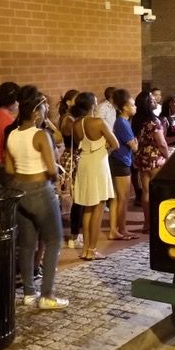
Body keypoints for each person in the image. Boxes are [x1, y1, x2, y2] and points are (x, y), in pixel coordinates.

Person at [4, 89, 68, 310]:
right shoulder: (41, 135)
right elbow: (51, 168)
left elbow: (9, 168)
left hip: (19, 189)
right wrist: (56, 176)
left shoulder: (12, 135)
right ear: (35, 112)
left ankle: (29, 293)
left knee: (27, 244)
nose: (46, 112)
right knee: (53, 240)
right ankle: (47, 295)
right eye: (44, 108)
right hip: (40, 189)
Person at [71, 92, 118, 260]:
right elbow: (115, 144)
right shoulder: (98, 122)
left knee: (87, 207)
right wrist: (106, 148)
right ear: (92, 105)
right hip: (98, 164)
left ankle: (85, 249)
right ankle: (92, 249)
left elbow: (80, 143)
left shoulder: (76, 123)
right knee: (98, 206)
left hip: (84, 162)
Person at [132, 91, 170, 234]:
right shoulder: (154, 121)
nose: (155, 101)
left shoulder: (137, 120)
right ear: (147, 104)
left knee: (146, 192)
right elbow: (161, 143)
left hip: (142, 157)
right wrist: (167, 156)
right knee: (158, 191)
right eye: (152, 100)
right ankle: (156, 222)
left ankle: (146, 223)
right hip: (155, 158)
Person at [108, 89, 137, 241]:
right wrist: (136, 142)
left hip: (119, 161)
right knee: (123, 197)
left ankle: (115, 229)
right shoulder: (122, 123)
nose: (135, 107)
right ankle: (122, 228)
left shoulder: (122, 122)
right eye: (132, 105)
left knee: (116, 199)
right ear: (125, 107)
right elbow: (134, 146)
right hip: (121, 162)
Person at [58, 90, 83, 248]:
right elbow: (77, 137)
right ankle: (74, 235)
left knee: (78, 197)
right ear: (68, 102)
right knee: (78, 197)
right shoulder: (69, 119)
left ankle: (75, 234)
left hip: (72, 156)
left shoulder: (70, 118)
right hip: (72, 157)